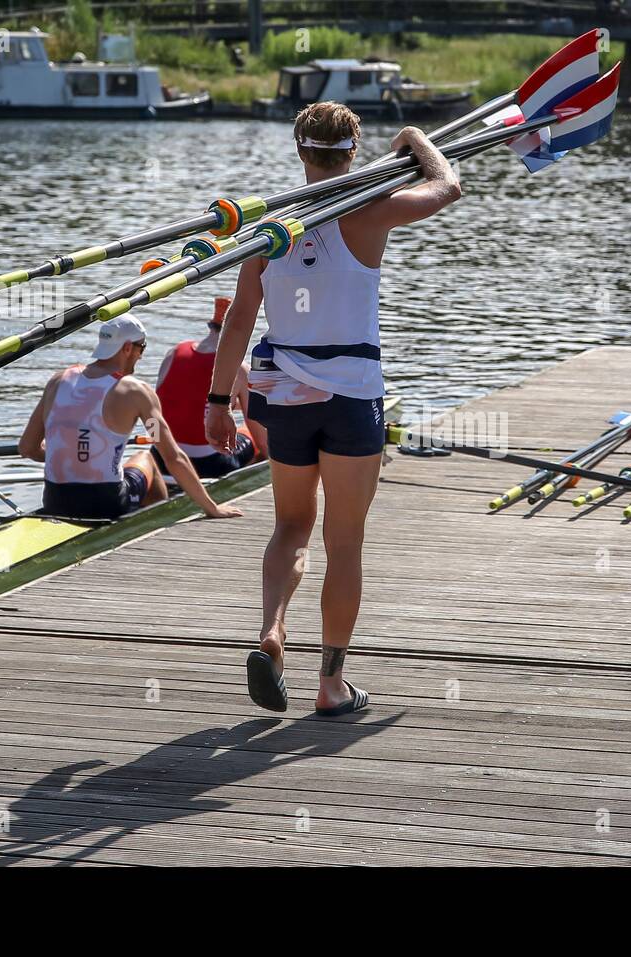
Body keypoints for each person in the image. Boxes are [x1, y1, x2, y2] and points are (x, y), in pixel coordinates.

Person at [206, 101, 461, 716]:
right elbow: (447, 185)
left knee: (291, 524)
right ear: (352, 153)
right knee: (344, 542)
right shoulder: (375, 209)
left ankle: (272, 631)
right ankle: (331, 684)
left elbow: (239, 319)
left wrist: (217, 403)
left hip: (282, 395)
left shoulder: (266, 225)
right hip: (351, 393)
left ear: (299, 153)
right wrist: (412, 138)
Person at [18, 314, 243, 523]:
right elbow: (172, 456)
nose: (141, 355)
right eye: (141, 348)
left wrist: (70, 454)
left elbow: (27, 448)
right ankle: (154, 526)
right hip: (106, 503)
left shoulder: (58, 381)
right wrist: (211, 508)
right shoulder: (136, 392)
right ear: (127, 348)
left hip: (54, 501)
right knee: (147, 458)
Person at [155, 295, 266, 478]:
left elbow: (170, 403)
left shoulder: (174, 353)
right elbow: (264, 442)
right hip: (211, 463)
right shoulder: (239, 369)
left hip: (162, 457)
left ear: (210, 327)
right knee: (251, 433)